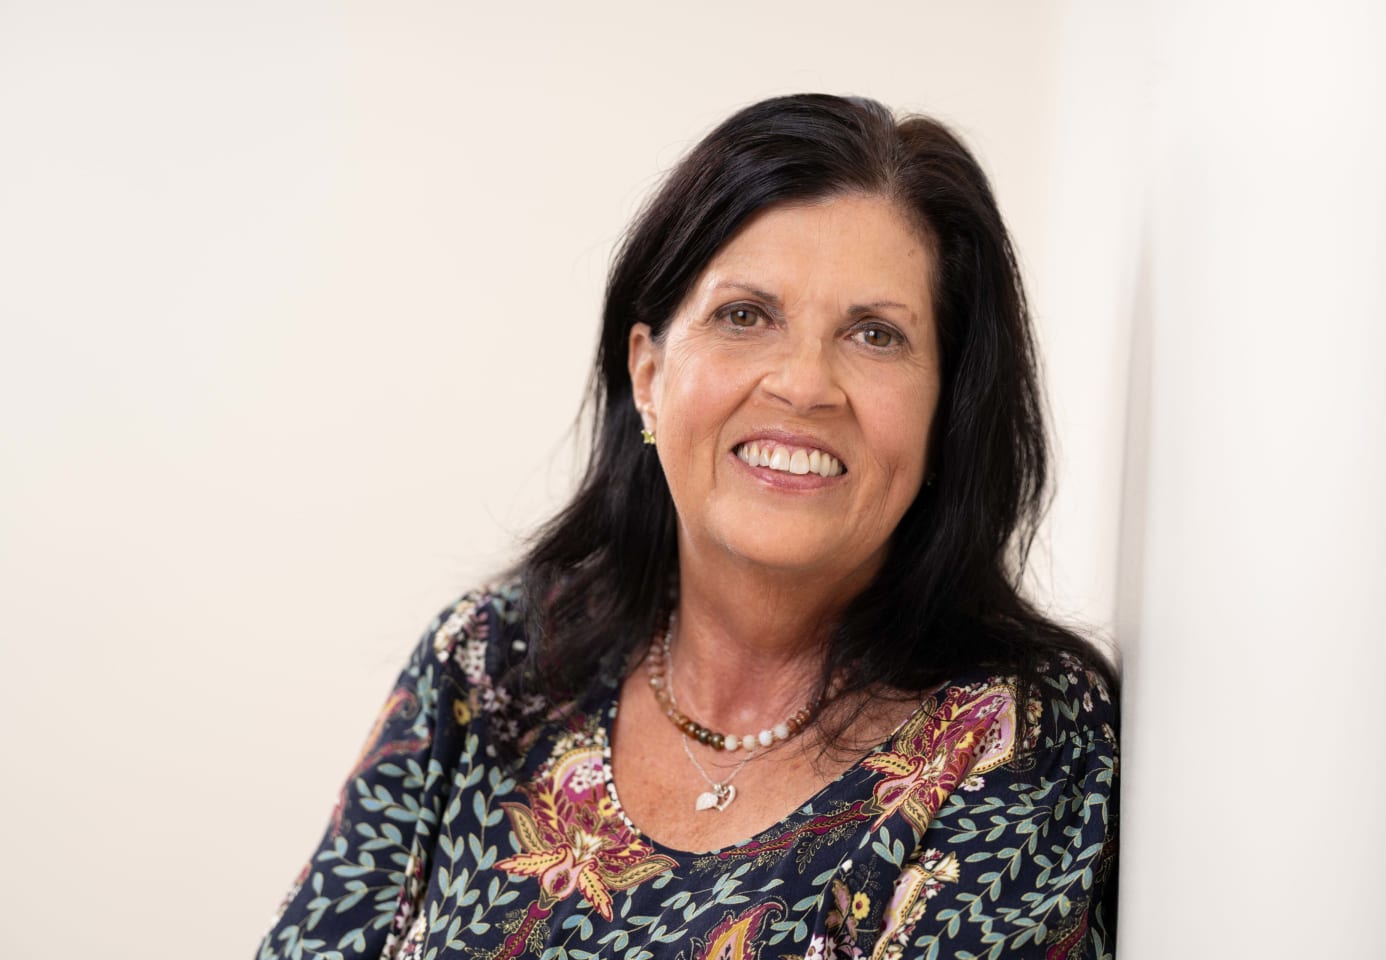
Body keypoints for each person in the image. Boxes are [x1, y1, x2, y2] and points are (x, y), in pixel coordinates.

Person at [257, 94, 1119, 960]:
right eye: (746, 316)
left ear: (947, 412)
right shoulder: (492, 663)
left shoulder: (1015, 739)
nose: (804, 385)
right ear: (647, 374)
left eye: (874, 334)